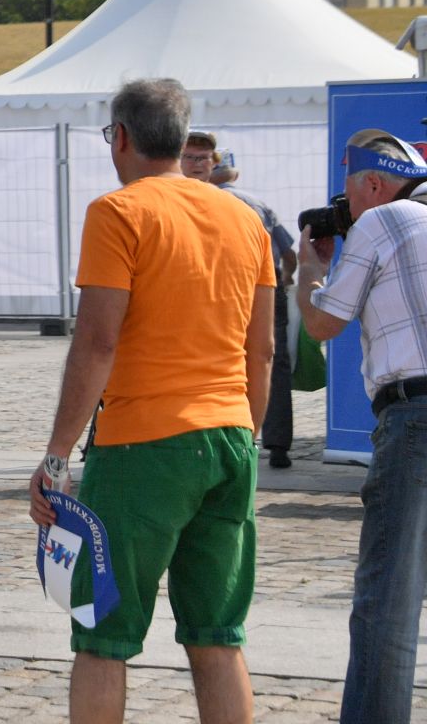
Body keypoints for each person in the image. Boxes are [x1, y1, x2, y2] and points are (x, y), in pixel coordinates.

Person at [28, 79, 275, 724]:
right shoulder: (244, 218)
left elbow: (97, 342)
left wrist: (56, 457)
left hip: (144, 443)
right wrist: (248, 434)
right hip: (229, 438)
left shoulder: (119, 211)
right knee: (218, 635)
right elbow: (264, 350)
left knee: (103, 637)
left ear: (125, 138)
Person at [294, 128, 427, 722]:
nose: (345, 213)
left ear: (373, 183)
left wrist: (308, 273)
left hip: (417, 418)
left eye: (347, 200)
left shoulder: (384, 220)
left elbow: (325, 324)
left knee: (388, 605)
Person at [184, 132, 300, 468]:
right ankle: (272, 444)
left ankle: (217, 433)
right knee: (270, 362)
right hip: (265, 286)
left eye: (201, 160)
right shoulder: (256, 204)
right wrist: (288, 278)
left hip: (219, 290)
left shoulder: (204, 204)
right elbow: (287, 252)